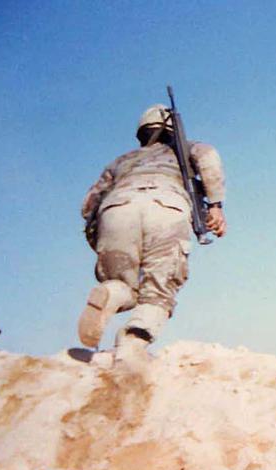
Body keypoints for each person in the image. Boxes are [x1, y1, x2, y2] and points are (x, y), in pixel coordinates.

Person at [78, 104, 227, 371]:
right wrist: (215, 205)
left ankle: (111, 292)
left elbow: (88, 206)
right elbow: (209, 157)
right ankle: (132, 346)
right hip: (167, 208)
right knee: (158, 292)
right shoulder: (191, 148)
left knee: (123, 285)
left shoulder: (121, 161)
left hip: (116, 209)